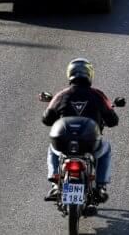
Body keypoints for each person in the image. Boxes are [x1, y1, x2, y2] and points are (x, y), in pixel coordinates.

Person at [42, 59, 119, 204]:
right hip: (89, 143)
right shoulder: (97, 95)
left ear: (69, 74)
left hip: (65, 143)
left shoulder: (61, 95)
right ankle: (101, 186)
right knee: (106, 148)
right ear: (89, 74)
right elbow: (112, 120)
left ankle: (54, 183)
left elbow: (46, 119)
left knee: (52, 148)